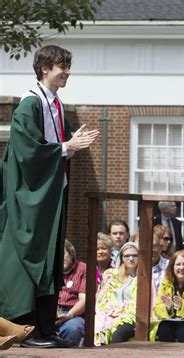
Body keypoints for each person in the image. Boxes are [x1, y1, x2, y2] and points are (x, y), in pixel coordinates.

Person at [0, 45, 99, 348]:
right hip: (31, 198)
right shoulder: (31, 105)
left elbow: (59, 145)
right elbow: (28, 151)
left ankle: (44, 327)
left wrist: (72, 143)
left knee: (50, 260)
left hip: (50, 195)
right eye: (62, 66)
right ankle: (24, 327)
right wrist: (68, 146)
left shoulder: (54, 103)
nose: (67, 72)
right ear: (44, 68)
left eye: (68, 66)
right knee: (31, 258)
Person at [94, 242, 154, 345]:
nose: (131, 258)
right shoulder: (111, 276)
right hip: (109, 314)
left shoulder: (145, 279)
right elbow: (102, 300)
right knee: (98, 328)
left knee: (119, 333)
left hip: (133, 317)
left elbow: (150, 305)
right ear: (122, 258)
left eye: (134, 255)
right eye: (127, 256)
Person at [55, 240, 86, 346]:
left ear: (71, 253)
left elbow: (84, 300)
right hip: (52, 313)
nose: (60, 258)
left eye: (63, 254)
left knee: (71, 329)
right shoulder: (51, 269)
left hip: (75, 314)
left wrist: (69, 315)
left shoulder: (82, 269)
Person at [151, 225, 171, 289]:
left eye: (169, 239)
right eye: (165, 239)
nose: (169, 242)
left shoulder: (169, 264)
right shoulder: (140, 264)